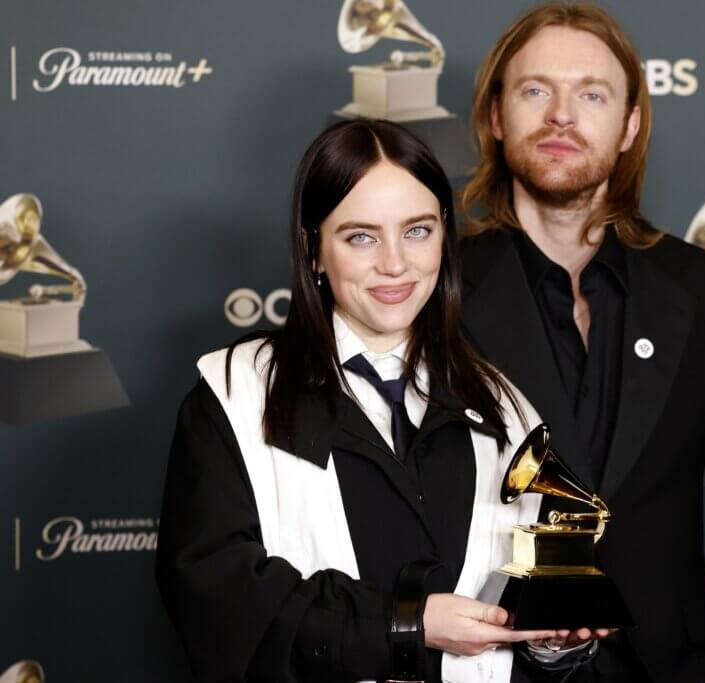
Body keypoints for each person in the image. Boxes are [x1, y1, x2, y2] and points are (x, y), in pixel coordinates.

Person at [155, 119, 604, 683]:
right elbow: (219, 606)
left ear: (445, 235)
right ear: (313, 249)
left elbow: (518, 631)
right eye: (361, 236)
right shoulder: (233, 394)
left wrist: (550, 643)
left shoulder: (505, 408)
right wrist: (406, 626)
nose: (395, 263)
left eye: (417, 231)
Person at [459, 3, 705, 682]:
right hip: (492, 669)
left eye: (592, 94)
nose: (562, 115)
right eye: (536, 91)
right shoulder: (434, 290)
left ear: (630, 125)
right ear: (497, 118)